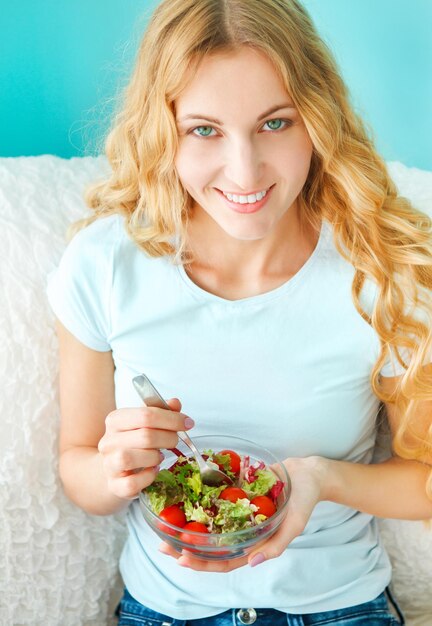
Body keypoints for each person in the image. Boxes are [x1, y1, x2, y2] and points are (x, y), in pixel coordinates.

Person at [47, 0, 432, 624]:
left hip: (337, 609)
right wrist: (114, 470)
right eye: (205, 130)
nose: (244, 170)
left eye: (275, 124)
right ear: (163, 130)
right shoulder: (105, 265)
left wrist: (322, 479)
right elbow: (78, 466)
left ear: (318, 119)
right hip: (166, 612)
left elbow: (426, 478)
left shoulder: (379, 269)